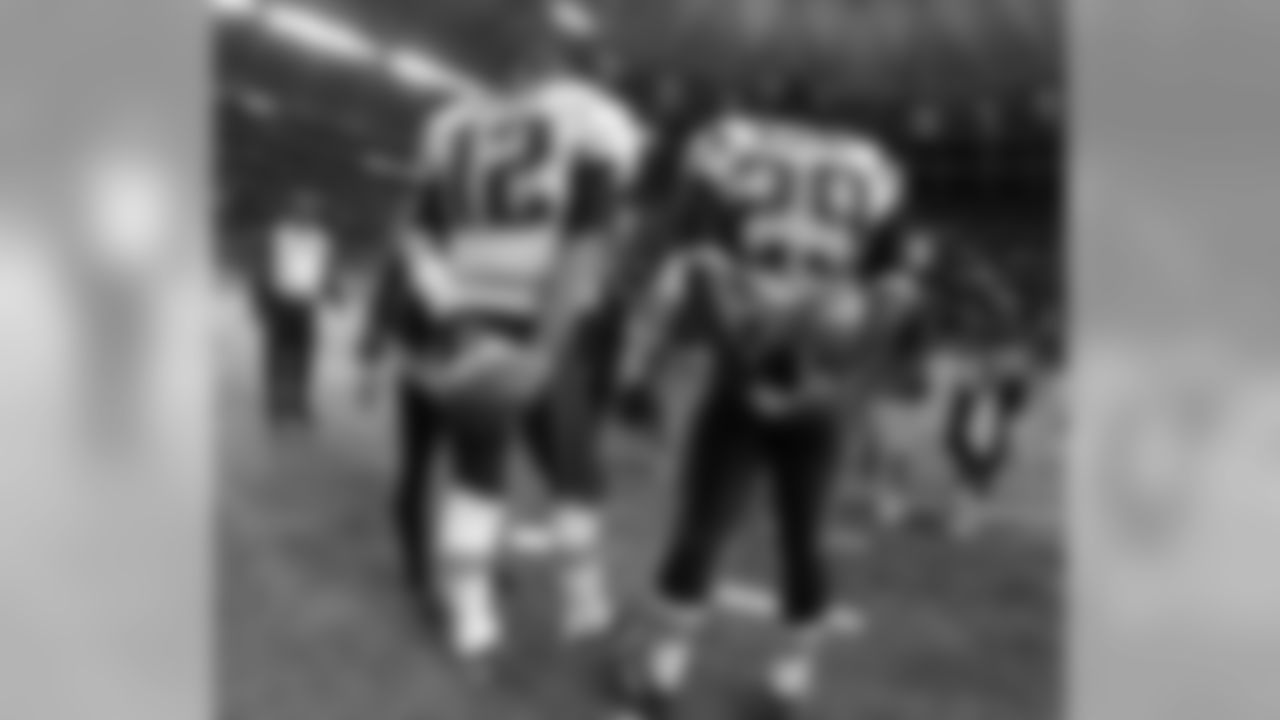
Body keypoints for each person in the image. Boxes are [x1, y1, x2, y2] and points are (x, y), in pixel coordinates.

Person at [608, 104, 916, 719]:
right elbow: (896, 293)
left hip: (744, 367)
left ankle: (664, 674)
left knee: (701, 528)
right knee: (806, 540)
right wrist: (839, 387)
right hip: (823, 372)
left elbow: (698, 266)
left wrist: (725, 361)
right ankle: (792, 680)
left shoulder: (728, 143)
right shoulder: (874, 166)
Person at [358, 36, 649, 667]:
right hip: (537, 319)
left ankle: (473, 625)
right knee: (577, 479)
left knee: (476, 477)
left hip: (464, 321)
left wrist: (455, 319)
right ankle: (585, 607)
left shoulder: (449, 125)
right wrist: (544, 349)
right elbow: (582, 247)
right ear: (547, 63)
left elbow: (420, 241)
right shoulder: (588, 117)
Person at [256, 196, 331, 429]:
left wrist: (331, 289)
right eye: (301, 209)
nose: (305, 213)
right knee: (277, 357)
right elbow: (263, 268)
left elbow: (324, 270)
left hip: (307, 306)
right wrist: (261, 303)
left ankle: (299, 405)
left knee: (304, 358)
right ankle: (276, 406)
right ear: (292, 210)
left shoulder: (321, 239)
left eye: (310, 210)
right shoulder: (279, 235)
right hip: (281, 302)